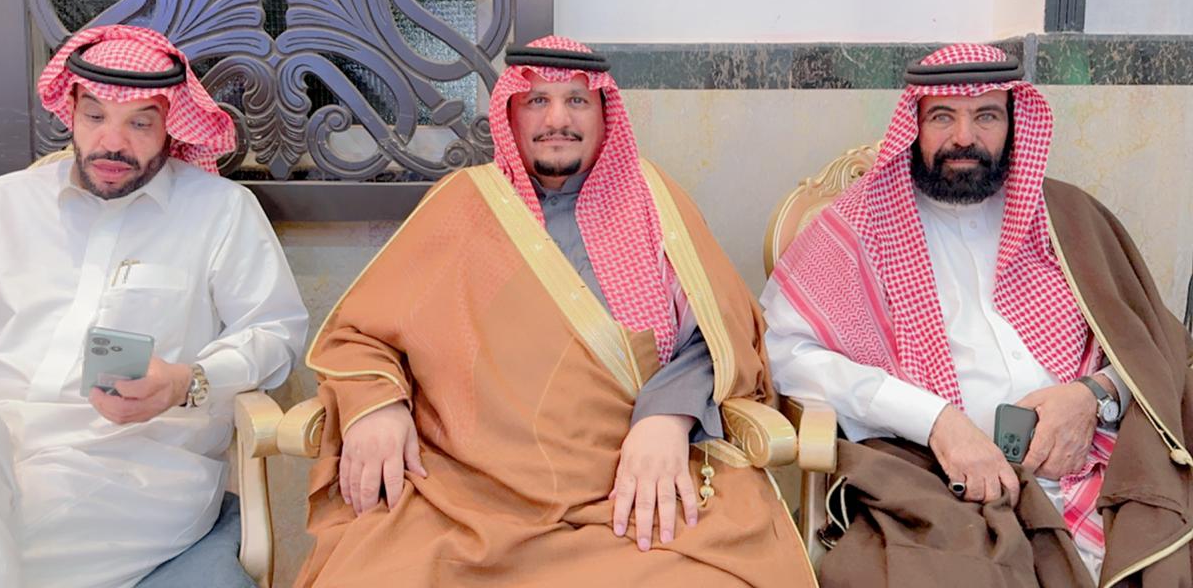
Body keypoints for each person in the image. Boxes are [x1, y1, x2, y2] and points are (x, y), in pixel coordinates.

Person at [294, 36, 814, 587]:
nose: (557, 119)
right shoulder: (461, 205)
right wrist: (377, 406)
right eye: (537, 100)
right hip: (468, 494)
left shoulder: (655, 203)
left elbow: (719, 338)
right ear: (510, 115)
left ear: (604, 113)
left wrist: (667, 417)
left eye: (577, 101)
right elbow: (362, 334)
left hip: (627, 488)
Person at [763, 43, 1193, 586]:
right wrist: (937, 422)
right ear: (915, 124)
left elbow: (1157, 343)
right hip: (940, 479)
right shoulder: (856, 229)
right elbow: (786, 353)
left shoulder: (1069, 218)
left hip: (1100, 463)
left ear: (1014, 124)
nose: (964, 137)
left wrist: (1095, 396)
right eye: (943, 117)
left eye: (986, 116)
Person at [0, 25, 309, 588]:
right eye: (95, 116)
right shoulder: (4, 204)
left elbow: (274, 332)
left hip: (128, 469)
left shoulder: (220, 212)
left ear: (171, 124)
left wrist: (187, 381)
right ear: (70, 110)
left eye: (139, 123)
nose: (112, 142)